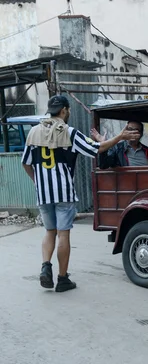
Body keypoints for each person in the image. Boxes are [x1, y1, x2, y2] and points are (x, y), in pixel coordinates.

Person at [22, 95, 140, 292]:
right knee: (63, 233)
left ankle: (45, 267)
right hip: (64, 193)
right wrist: (119, 137)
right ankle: (62, 279)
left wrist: (38, 182)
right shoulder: (69, 132)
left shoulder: (33, 132)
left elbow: (25, 163)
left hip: (43, 194)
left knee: (49, 231)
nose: (68, 113)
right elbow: (97, 148)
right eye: (68, 110)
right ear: (64, 111)